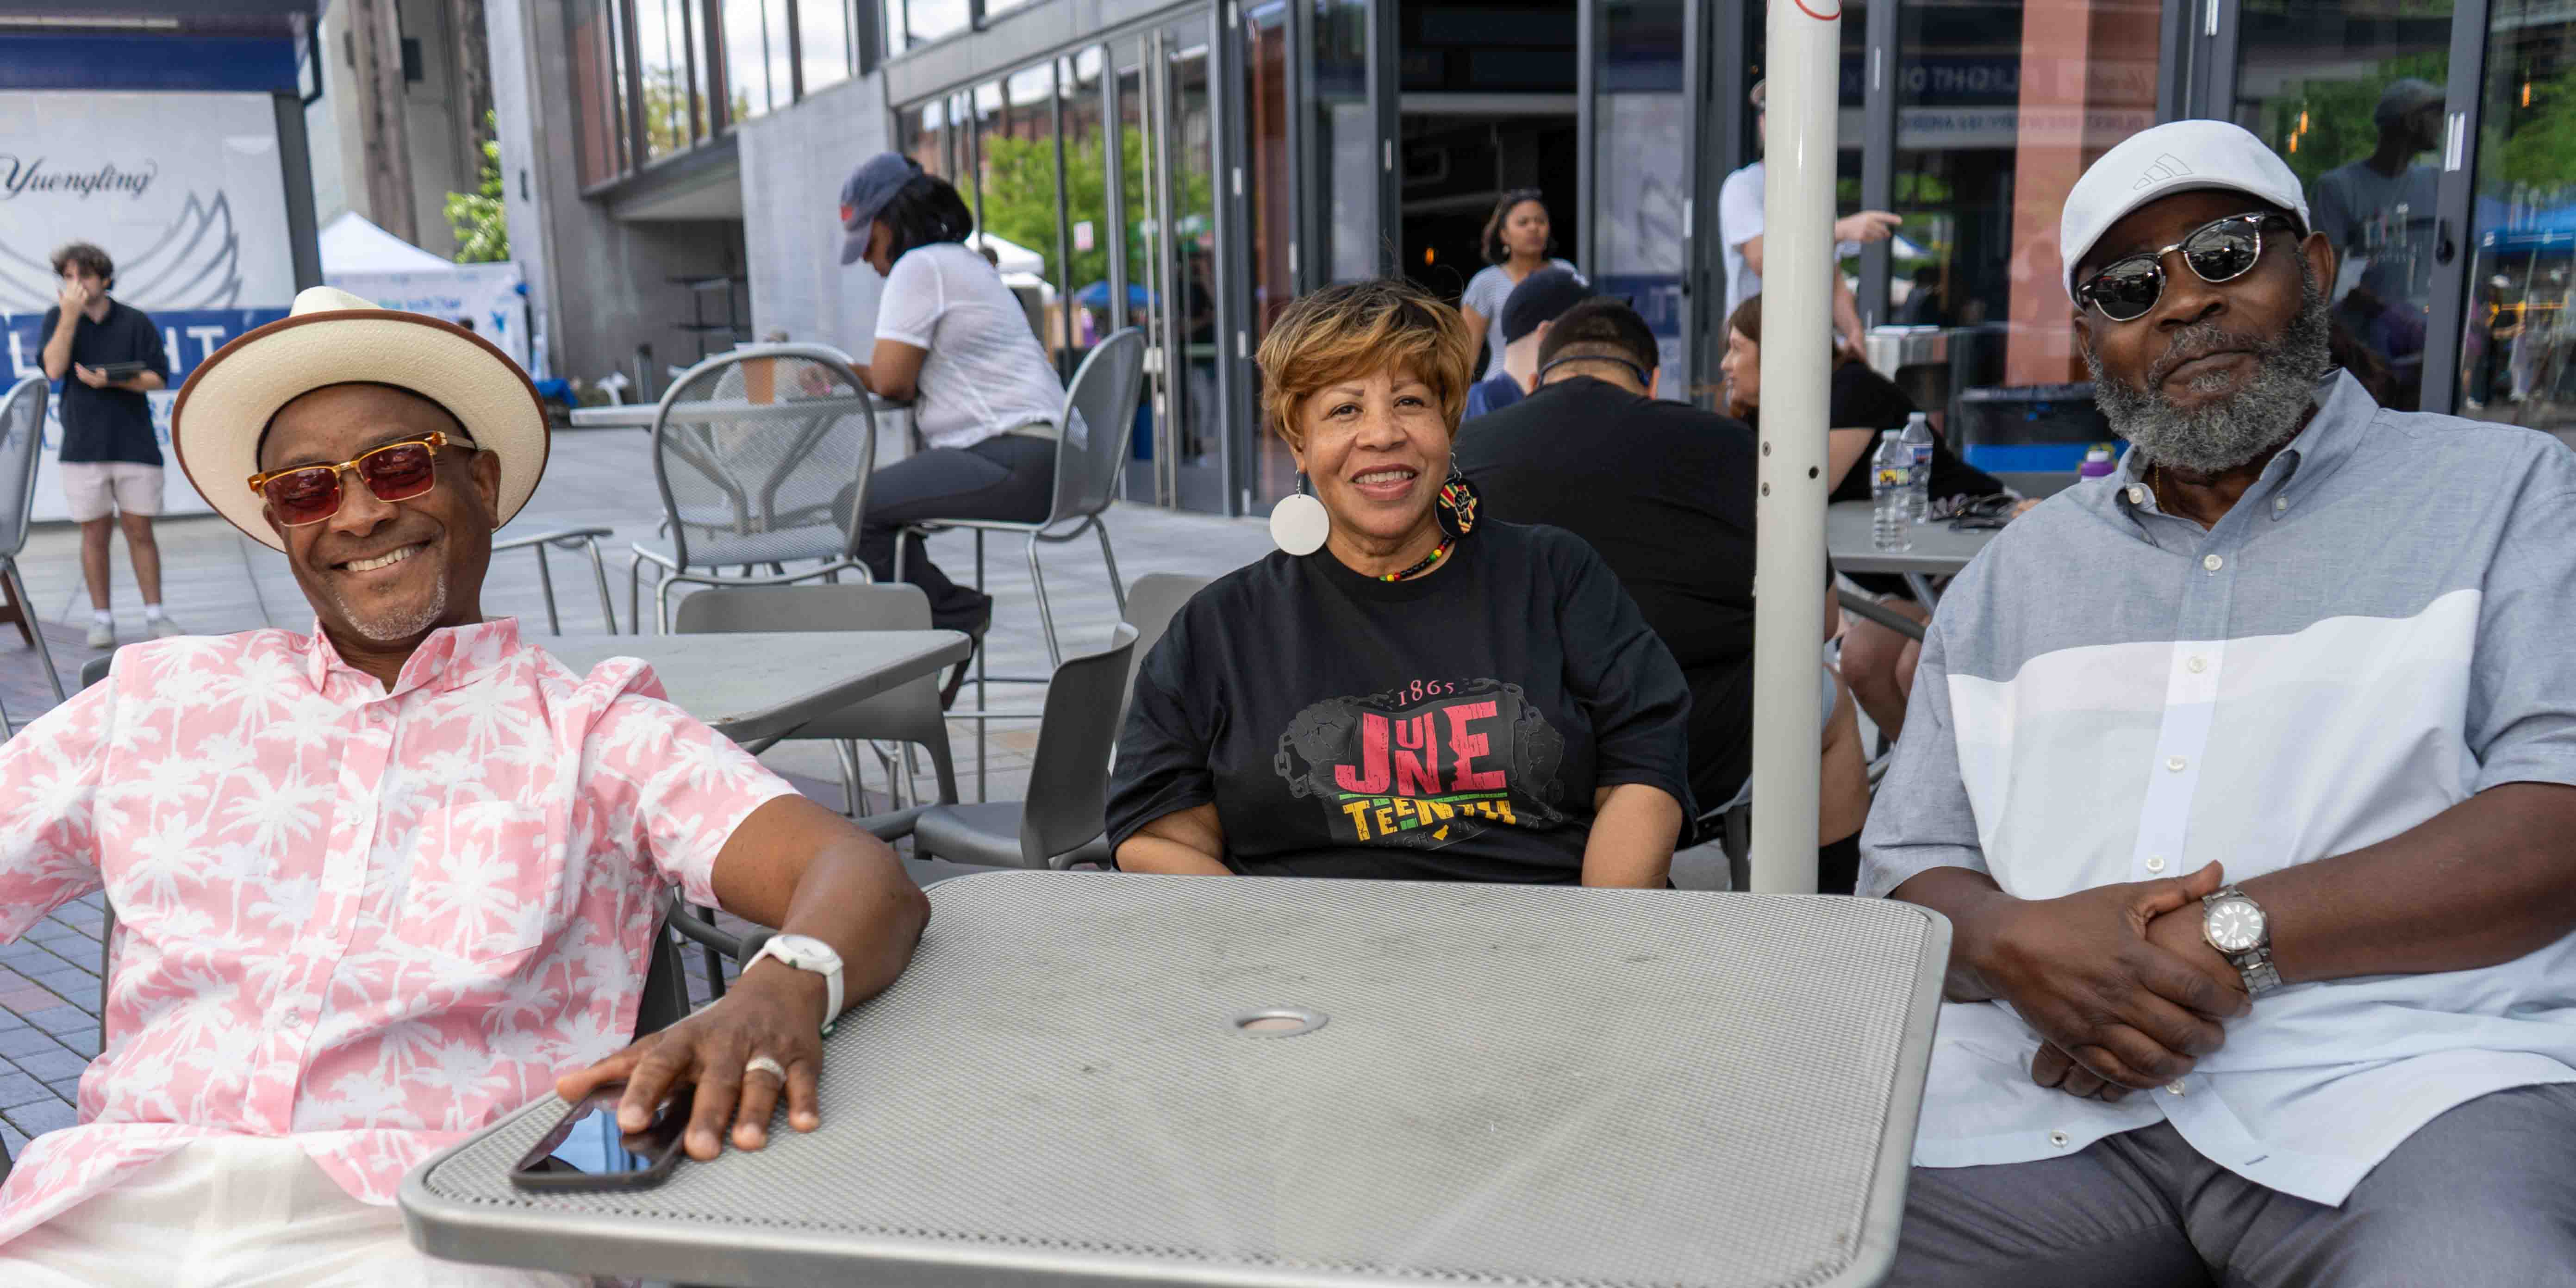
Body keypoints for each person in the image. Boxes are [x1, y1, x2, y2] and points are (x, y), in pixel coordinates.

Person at [0, 286, 933, 1285]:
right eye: (308, 489)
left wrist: (776, 989)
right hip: (101, 1218)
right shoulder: (160, 700)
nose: (360, 512)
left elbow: (856, 872)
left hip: (432, 1229)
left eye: (397, 465)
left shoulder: (594, 732)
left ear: (480, 480)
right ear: (279, 521)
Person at [1863, 120, 2576, 1285]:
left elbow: (2555, 814)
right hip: (2041, 1102)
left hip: (2410, 1087)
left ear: (2317, 266)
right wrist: (2015, 946)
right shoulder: (2012, 579)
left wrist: (2216, 941)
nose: (2185, 302)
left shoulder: (2506, 493)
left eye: (2224, 252)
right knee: (1751, 1234)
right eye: (2129, 286)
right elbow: (1908, 870)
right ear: (2090, 340)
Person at [1107, 278, 1692, 887]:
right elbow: (1159, 832)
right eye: (1345, 409)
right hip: (1300, 939)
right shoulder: (1220, 629)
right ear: (1298, 441)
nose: (1383, 433)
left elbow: (1643, 768)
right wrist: (1270, 938)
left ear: (1448, 422)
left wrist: (1600, 933)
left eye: (1410, 401)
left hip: (1541, 928)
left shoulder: (1554, 576)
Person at [1455, 298, 1870, 892]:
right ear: (1650, 382)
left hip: (1497, 750)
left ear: (1534, 381)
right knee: (1828, 700)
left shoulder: (1463, 449)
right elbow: (1821, 622)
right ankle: (1824, 920)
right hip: (1695, 741)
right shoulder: (1733, 444)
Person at [1717, 293, 2018, 745]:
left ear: (1776, 349)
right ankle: (1916, 774)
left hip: (1977, 549)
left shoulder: (1850, 390)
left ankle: (1954, 783)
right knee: (1861, 659)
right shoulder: (1770, 417)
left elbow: (1799, 488)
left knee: (1917, 666)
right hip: (1919, 578)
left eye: (1736, 348)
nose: (1725, 364)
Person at [835, 152, 1072, 641]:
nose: (865, 260)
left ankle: (951, 622)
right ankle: (937, 632)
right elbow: (897, 375)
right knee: (879, 511)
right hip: (1050, 456)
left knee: (850, 508)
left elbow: (894, 382)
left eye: (868, 243)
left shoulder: (919, 268)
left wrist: (832, 372)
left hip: (1013, 455)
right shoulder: (960, 261)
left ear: (891, 221)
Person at [37, 243, 182, 648]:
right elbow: (53, 369)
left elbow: (159, 377)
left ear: (105, 279)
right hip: (82, 446)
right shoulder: (57, 318)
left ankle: (155, 614)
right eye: (68, 277)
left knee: (140, 531)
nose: (76, 285)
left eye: (84, 276)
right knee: (94, 534)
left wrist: (114, 380)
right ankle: (102, 619)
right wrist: (69, 315)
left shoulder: (135, 321)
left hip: (135, 443)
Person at [1717, 79, 1902, 355]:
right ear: (1763, 125)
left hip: (1806, 348)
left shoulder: (1816, 193)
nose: (1781, 125)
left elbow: (1832, 277)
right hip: (1754, 348)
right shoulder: (1742, 186)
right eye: (1772, 116)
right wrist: (1840, 231)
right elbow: (1762, 259)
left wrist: (1854, 332)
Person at [2310, 78, 2445, 411]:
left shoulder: (2436, 183)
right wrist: (2391, 315)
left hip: (2427, 346)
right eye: (2435, 114)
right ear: (2411, 121)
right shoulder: (2339, 188)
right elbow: (2329, 276)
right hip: (2363, 354)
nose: (2442, 124)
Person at [1458, 189, 1579, 381]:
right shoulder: (1486, 283)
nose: (1534, 228)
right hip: (1503, 389)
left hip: (1558, 384)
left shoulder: (1566, 273)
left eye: (1540, 221)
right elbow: (1466, 357)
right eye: (1523, 223)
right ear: (1504, 234)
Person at [1462, 267, 1594, 420]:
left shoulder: (1486, 402)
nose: (1597, 347)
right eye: (1586, 333)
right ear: (1546, 334)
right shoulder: (1484, 403)